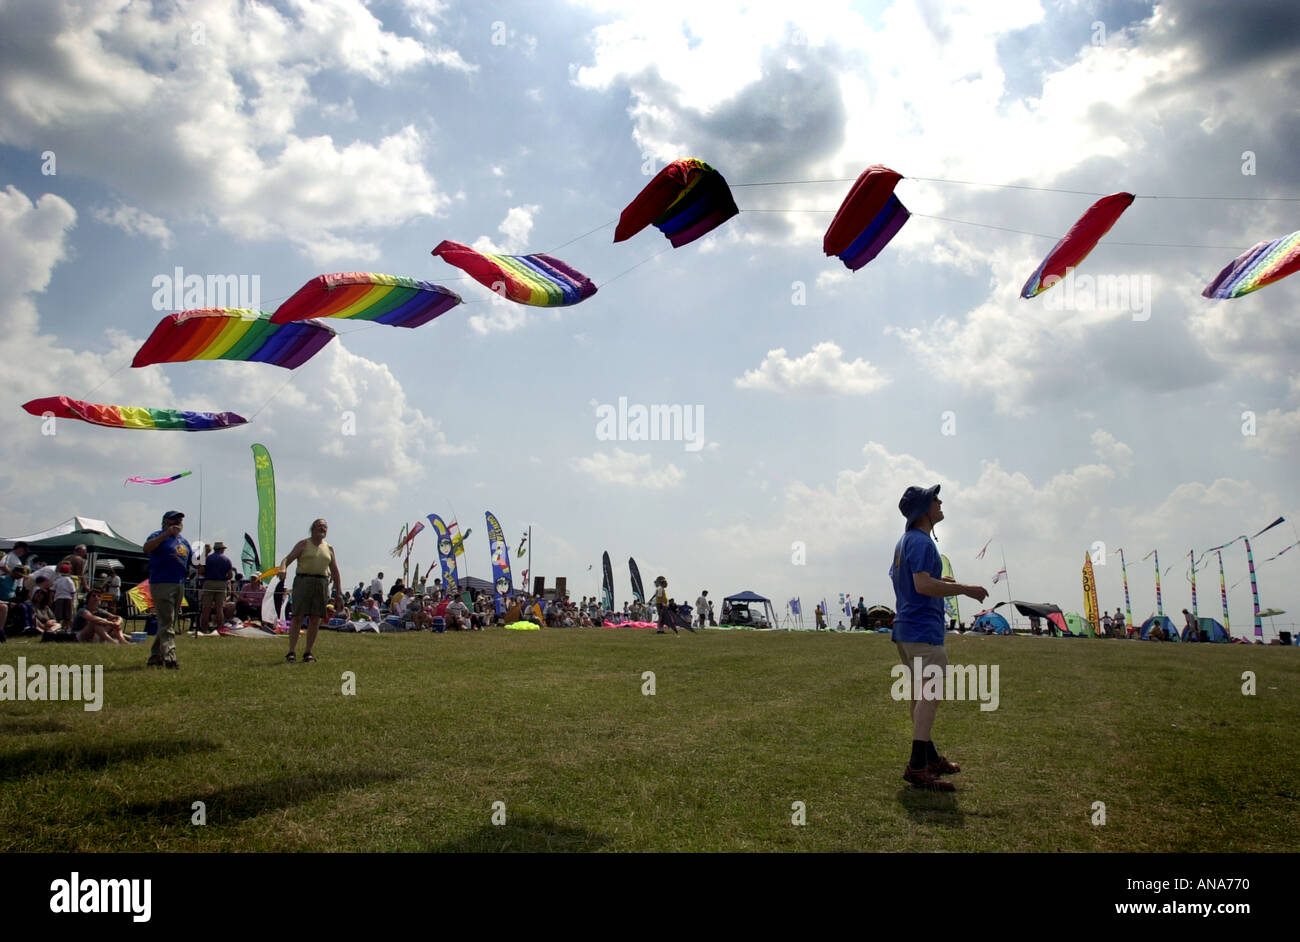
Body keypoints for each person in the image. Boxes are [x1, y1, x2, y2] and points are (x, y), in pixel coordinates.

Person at [890, 484, 988, 792]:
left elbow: (910, 579)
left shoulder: (905, 541)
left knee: (920, 697)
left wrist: (947, 581)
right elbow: (922, 585)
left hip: (906, 630)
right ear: (924, 509)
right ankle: (917, 765)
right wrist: (965, 589)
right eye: (935, 499)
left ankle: (929, 757)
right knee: (930, 696)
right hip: (923, 632)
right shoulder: (921, 542)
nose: (940, 501)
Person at [282, 519, 341, 663]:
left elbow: (335, 571)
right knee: (297, 617)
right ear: (313, 528)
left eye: (325, 527)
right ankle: (291, 652)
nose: (323, 529)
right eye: (320, 526)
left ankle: (308, 652)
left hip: (321, 583)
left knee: (315, 619)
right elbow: (287, 559)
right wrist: (283, 569)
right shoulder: (304, 544)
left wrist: (338, 592)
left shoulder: (329, 548)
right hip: (303, 581)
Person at [142, 510, 192, 669]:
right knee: (167, 620)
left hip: (179, 583)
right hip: (162, 582)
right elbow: (147, 548)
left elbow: (192, 564)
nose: (178, 523)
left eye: (180, 520)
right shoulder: (157, 536)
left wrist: (205, 553)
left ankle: (155, 656)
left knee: (169, 621)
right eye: (174, 520)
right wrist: (165, 535)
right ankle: (170, 657)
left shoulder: (184, 542)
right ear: (165, 522)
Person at [199, 540, 234, 634]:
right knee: (219, 608)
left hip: (209, 582)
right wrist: (223, 578)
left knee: (206, 608)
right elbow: (230, 575)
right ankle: (220, 629)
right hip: (221, 584)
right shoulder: (227, 560)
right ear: (222, 549)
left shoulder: (208, 559)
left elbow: (201, 571)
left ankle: (204, 629)